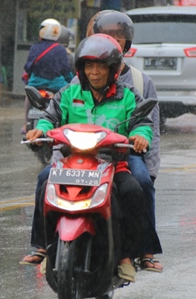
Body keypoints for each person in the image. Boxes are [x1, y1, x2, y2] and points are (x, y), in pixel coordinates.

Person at [20, 33, 161, 282]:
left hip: (112, 163)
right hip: (71, 162)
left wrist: (140, 136)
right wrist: (40, 129)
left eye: (100, 66)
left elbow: (142, 123)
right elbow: (49, 117)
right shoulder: (68, 93)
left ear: (113, 70)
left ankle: (127, 256)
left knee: (132, 191)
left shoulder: (128, 95)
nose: (94, 72)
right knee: (44, 181)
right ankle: (42, 246)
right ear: (81, 69)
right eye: (89, 66)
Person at [86, 10, 163, 272]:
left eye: (119, 38)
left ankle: (144, 248)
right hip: (84, 152)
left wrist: (150, 168)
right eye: (106, 36)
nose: (113, 42)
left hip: (125, 154)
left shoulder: (141, 82)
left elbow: (149, 126)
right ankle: (46, 246)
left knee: (140, 182)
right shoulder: (80, 80)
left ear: (126, 44)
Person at [21, 18, 74, 134]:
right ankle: (68, 124)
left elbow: (28, 67)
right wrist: (73, 82)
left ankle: (25, 124)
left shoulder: (35, 47)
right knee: (69, 96)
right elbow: (66, 71)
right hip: (57, 84)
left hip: (35, 83)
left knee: (28, 97)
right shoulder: (61, 50)